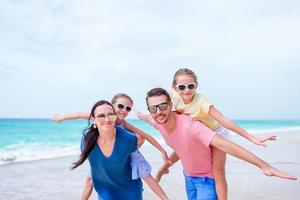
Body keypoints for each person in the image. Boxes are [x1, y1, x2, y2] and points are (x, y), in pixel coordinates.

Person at [137, 68, 276, 200]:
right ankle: (164, 168)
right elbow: (153, 120)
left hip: (214, 145)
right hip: (190, 167)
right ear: (175, 88)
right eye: (182, 87)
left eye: (190, 86)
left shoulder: (199, 110)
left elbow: (226, 130)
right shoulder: (164, 111)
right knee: (185, 145)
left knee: (219, 171)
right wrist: (138, 116)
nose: (186, 90)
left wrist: (257, 150)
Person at [53, 93, 169, 200]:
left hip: (127, 150)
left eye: (128, 108)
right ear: (112, 106)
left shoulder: (125, 127)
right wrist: (61, 117)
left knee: (145, 173)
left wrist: (162, 150)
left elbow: (144, 135)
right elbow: (78, 114)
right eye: (120, 106)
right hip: (105, 155)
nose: (124, 110)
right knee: (90, 179)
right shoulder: (97, 119)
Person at [71, 100, 143, 199]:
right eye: (101, 116)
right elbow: (94, 171)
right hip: (105, 192)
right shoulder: (87, 141)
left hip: (131, 191)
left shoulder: (129, 139)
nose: (107, 119)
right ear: (93, 119)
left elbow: (140, 140)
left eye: (111, 115)